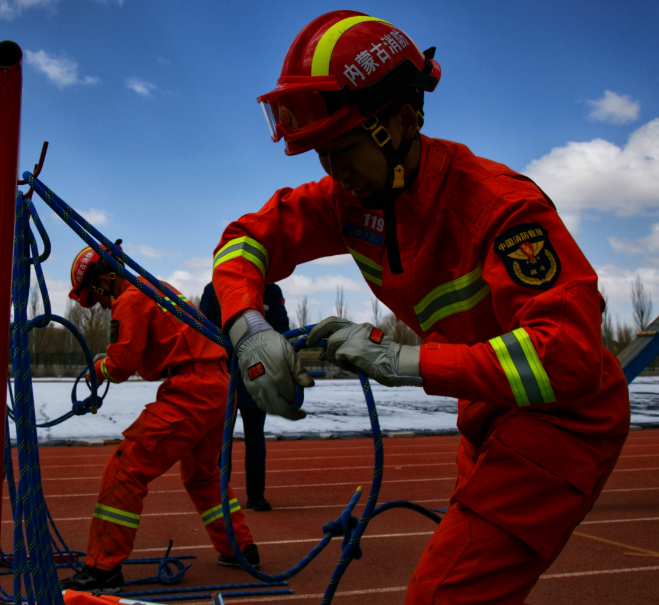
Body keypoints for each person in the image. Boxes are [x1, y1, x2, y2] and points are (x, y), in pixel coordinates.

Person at [211, 11, 629, 604]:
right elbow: (243, 240)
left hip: (562, 421)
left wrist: (403, 361)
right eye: (320, 154)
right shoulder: (349, 200)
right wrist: (248, 326)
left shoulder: (501, 209)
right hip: (487, 415)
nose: (333, 171)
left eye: (345, 147)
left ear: (404, 121)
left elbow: (569, 358)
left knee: (441, 595)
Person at [60, 242, 258, 592]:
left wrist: (98, 369)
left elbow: (120, 366)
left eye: (96, 296)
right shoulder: (156, 288)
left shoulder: (129, 298)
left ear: (106, 278)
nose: (101, 305)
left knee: (125, 467)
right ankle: (240, 549)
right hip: (220, 386)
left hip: (193, 389)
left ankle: (103, 569)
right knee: (203, 476)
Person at [199, 281, 289, 511]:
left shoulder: (270, 290)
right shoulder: (214, 290)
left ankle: (256, 495)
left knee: (255, 440)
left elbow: (282, 329)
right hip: (223, 375)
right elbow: (202, 328)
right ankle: (219, 496)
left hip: (257, 378)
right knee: (221, 441)